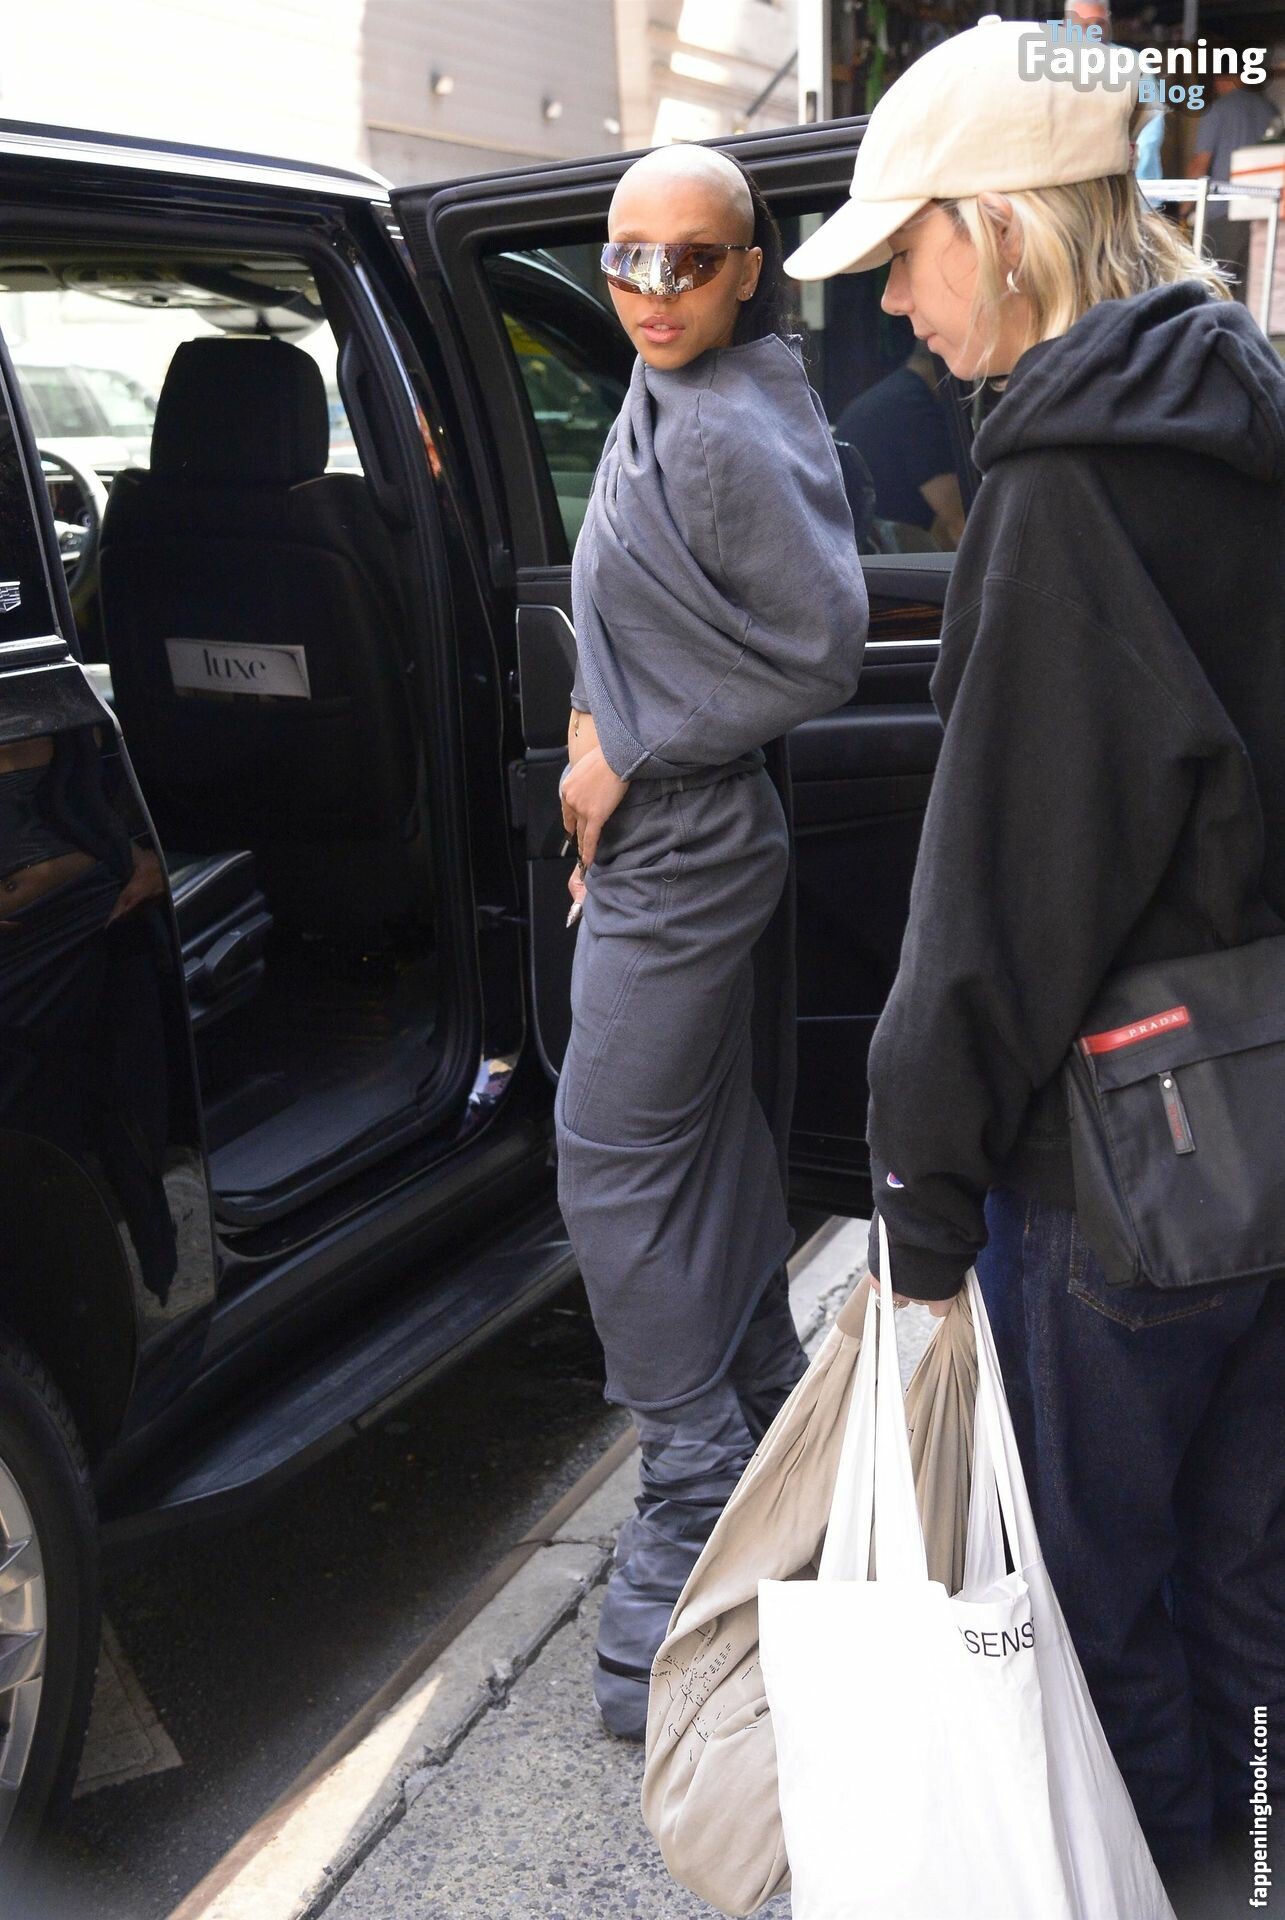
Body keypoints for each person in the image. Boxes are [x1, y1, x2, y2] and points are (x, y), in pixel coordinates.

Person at [787, 17, 1285, 1919]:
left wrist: (917, 1198)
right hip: (1265, 1119)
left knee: (1089, 1606)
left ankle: (1160, 1883)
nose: (894, 303)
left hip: (1119, 1160)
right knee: (1248, 1578)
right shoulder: (1250, 425)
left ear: (1000, 227)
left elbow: (998, 898)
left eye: (907, 251)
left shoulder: (1060, 488)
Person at [556, 143, 868, 1741]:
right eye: (628, 257)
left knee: (610, 1166)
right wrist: (589, 724)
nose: (654, 289)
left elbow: (822, 652)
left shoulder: (733, 425)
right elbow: (619, 602)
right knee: (698, 1149)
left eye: (692, 260)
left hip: (689, 841)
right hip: (656, 839)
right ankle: (759, 1435)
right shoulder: (663, 383)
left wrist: (629, 744)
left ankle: (691, 1491)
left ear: (751, 269)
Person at [835, 338, 966, 546]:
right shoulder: (915, 407)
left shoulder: (893, 394)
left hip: (860, 549)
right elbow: (959, 520)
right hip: (886, 551)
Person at [1189, 74, 1282, 298]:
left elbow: (1201, 162)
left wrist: (1184, 208)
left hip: (1223, 212)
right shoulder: (1270, 110)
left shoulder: (1218, 110)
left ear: (1225, 78)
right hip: (1262, 214)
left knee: (1211, 286)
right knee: (1251, 290)